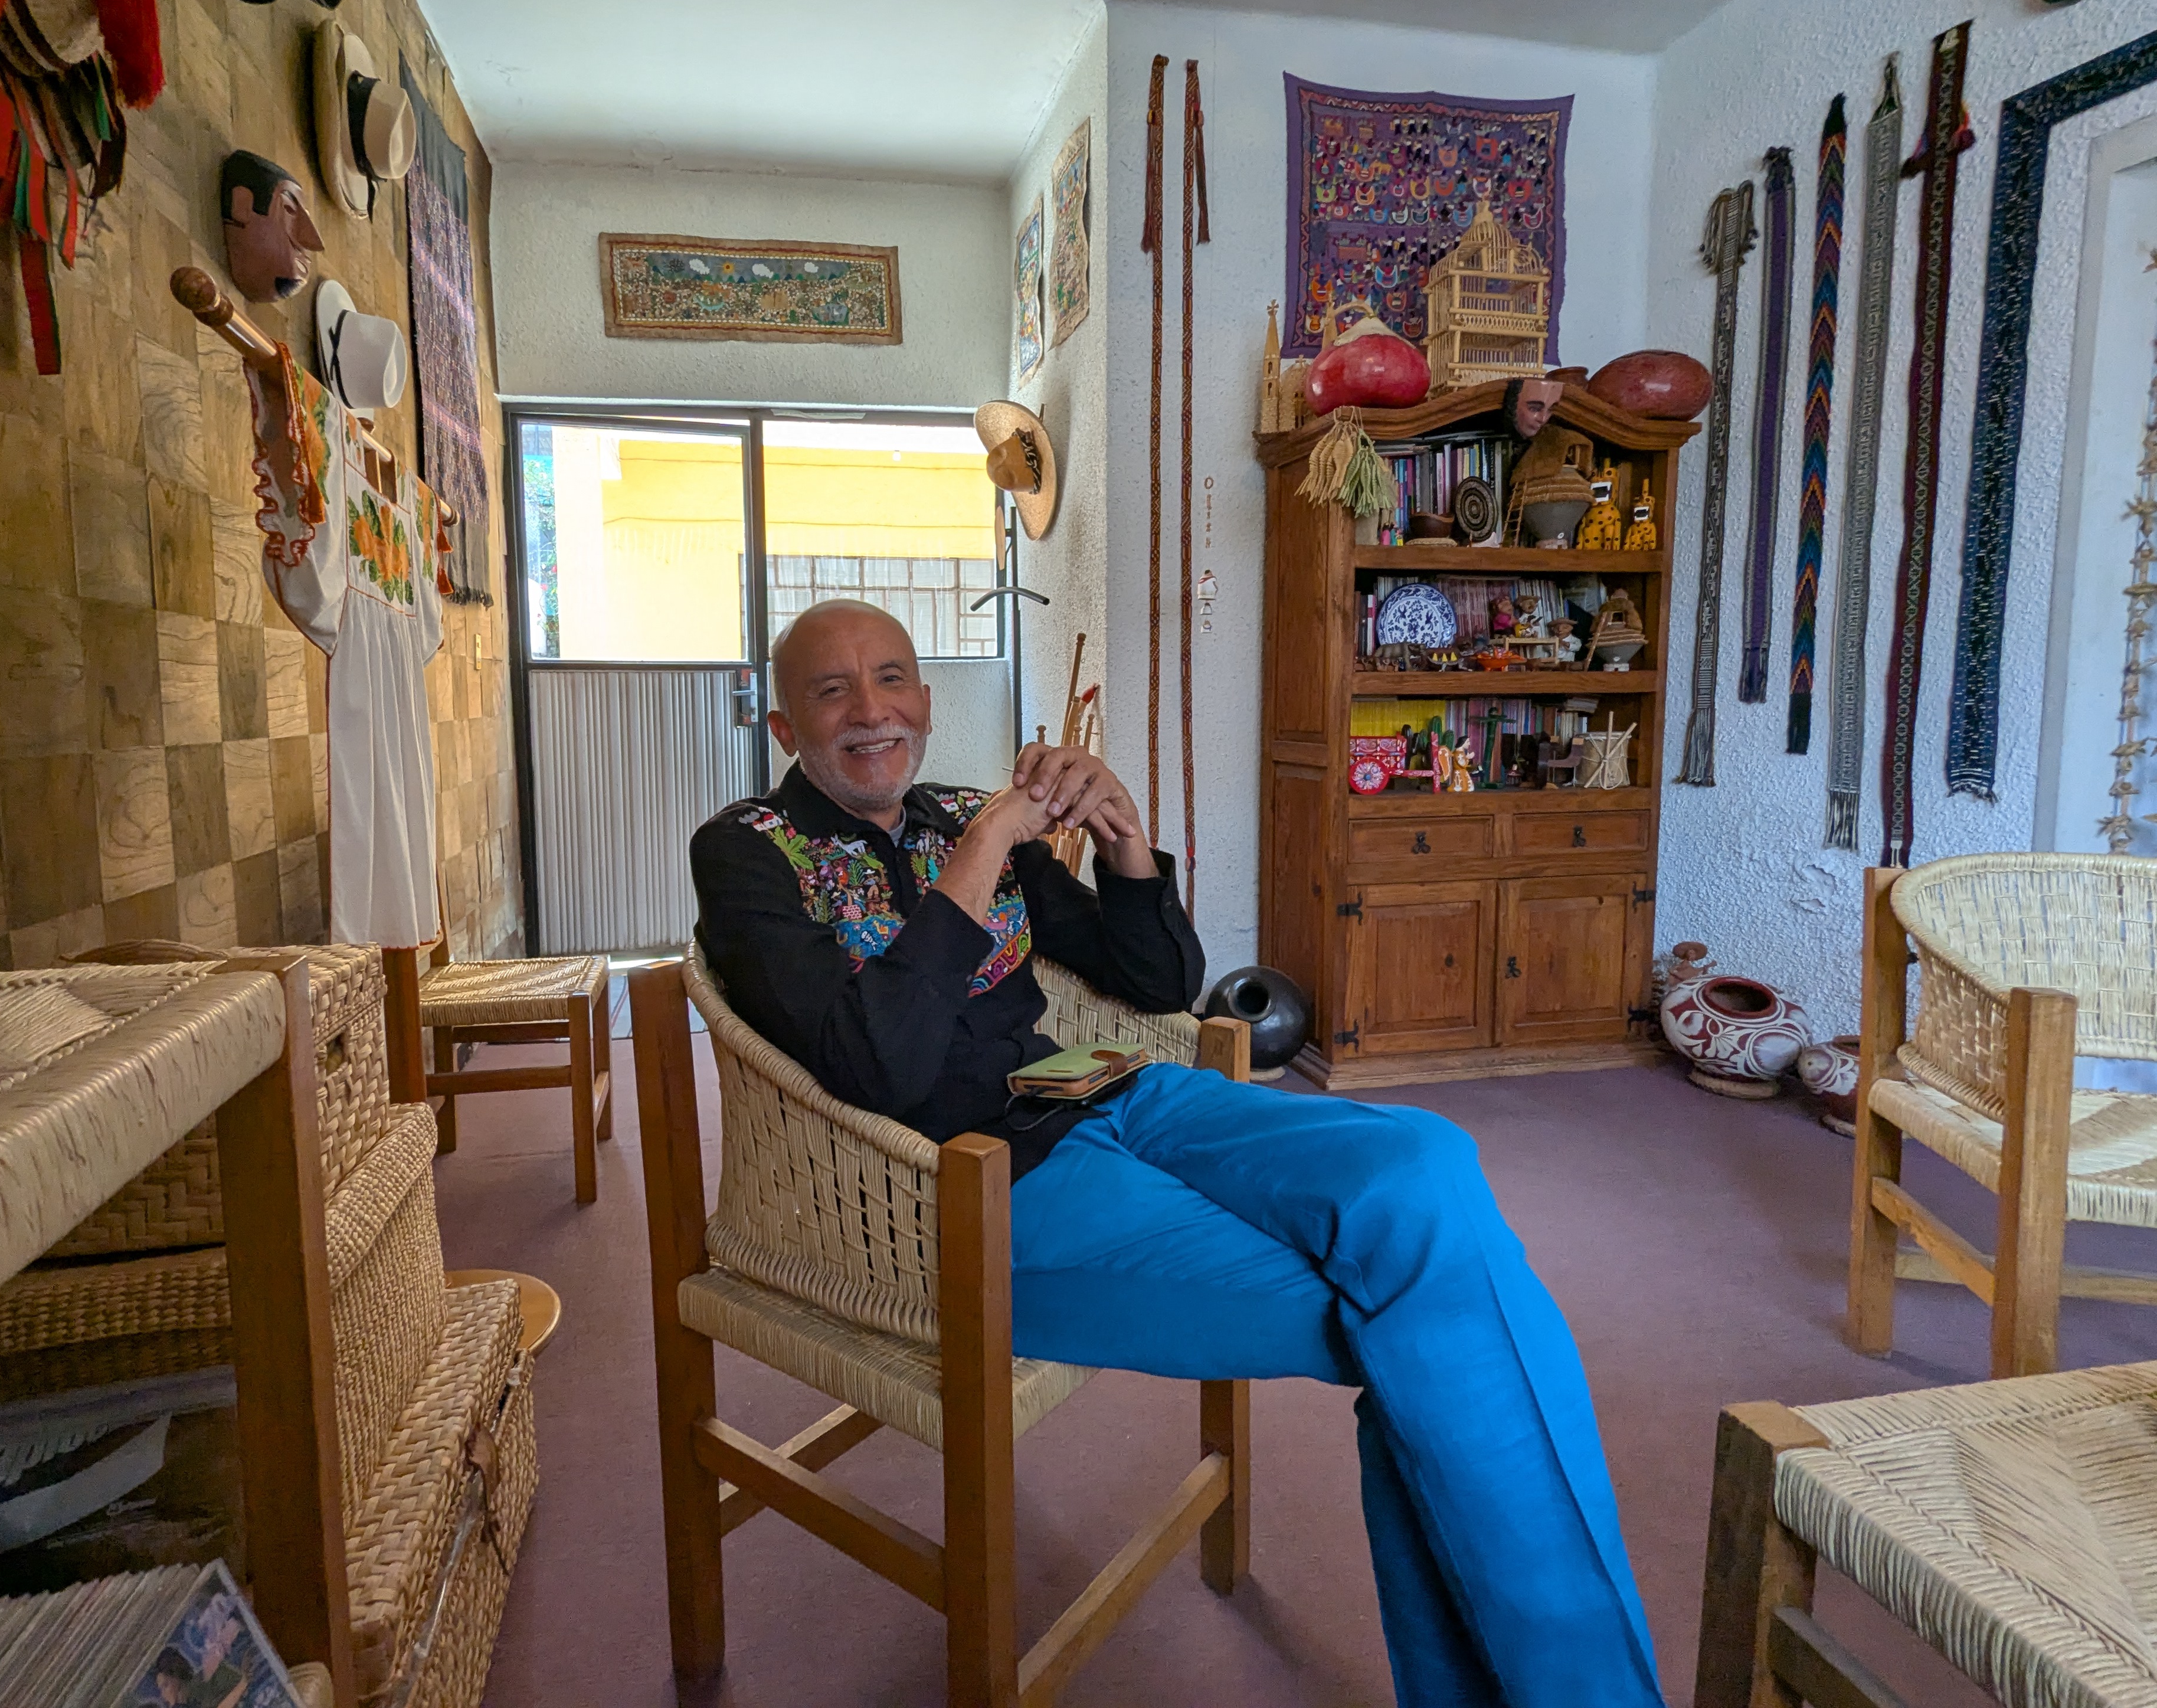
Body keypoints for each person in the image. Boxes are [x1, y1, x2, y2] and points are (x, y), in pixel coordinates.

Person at [689, 599, 1665, 1708]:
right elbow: (879, 1067)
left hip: (1111, 1091)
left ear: (924, 697)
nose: (872, 711)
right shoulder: (746, 852)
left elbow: (1156, 982)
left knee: (1424, 1164)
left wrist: (1122, 838)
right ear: (785, 727)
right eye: (832, 691)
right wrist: (982, 852)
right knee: (1435, 1317)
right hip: (973, 1186)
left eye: (893, 679)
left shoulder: (957, 810)